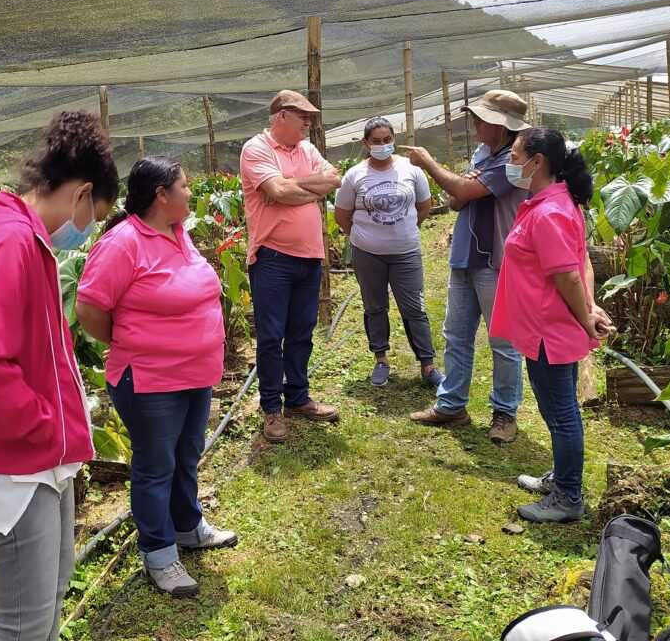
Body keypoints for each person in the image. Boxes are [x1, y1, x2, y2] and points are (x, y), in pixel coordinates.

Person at [0, 110, 119, 641]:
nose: (89, 230)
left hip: (33, 460)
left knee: (47, 599)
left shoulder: (18, 236)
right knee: (20, 625)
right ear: (80, 194)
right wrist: (41, 425)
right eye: (95, 215)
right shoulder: (9, 243)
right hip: (11, 466)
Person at [75, 157, 237, 598]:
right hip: (148, 379)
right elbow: (89, 309)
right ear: (161, 195)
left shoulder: (178, 232)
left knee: (187, 453)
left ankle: (188, 527)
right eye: (184, 186)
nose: (191, 191)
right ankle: (159, 553)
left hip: (194, 373)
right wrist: (132, 341)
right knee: (155, 465)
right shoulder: (124, 242)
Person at [490, 127, 611, 523]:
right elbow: (582, 263)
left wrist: (585, 315)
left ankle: (568, 497)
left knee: (561, 414)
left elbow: (570, 276)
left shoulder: (549, 212)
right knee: (559, 409)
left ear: (536, 162)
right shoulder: (557, 202)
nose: (510, 163)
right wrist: (589, 310)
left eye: (514, 156)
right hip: (548, 326)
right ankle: (562, 478)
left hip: (549, 330)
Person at [406, 89, 530, 444]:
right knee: (456, 334)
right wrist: (464, 188)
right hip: (465, 255)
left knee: (503, 341)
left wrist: (430, 164)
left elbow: (463, 190)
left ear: (499, 125)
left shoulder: (515, 160)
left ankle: (505, 412)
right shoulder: (482, 153)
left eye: (480, 118)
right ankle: (452, 405)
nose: (474, 123)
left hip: (496, 260)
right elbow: (457, 199)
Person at [240, 90, 342, 444]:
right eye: (303, 116)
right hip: (272, 258)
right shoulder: (256, 149)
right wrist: (305, 189)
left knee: (302, 329)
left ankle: (297, 397)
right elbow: (277, 192)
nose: (309, 123)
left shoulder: (308, 150)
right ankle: (271, 407)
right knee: (271, 336)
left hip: (309, 256)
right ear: (281, 116)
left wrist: (291, 185)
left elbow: (332, 179)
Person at [334, 116, 442, 387]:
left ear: (394, 139)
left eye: (387, 140)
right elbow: (342, 215)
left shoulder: (411, 169)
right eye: (376, 141)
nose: (382, 145)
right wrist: (362, 236)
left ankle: (427, 364)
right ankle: (381, 360)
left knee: (414, 307)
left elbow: (424, 205)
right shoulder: (355, 175)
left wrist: (407, 228)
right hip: (368, 253)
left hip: (406, 252)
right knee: (375, 306)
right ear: (366, 143)